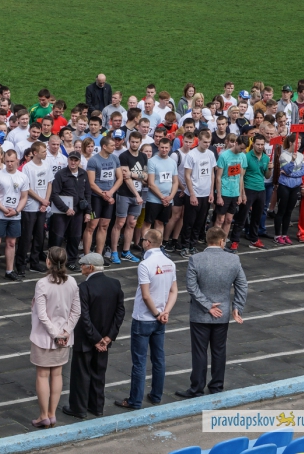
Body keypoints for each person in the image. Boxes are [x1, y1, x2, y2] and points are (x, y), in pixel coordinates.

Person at [174, 227, 247, 399]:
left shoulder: (196, 259)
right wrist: (237, 307)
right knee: (219, 351)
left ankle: (197, 388)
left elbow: (191, 287)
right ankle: (216, 386)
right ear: (222, 241)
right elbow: (242, 285)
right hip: (222, 313)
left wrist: (207, 306)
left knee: (199, 352)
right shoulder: (233, 259)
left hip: (200, 314)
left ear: (208, 240)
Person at [115, 229, 178, 410]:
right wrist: (165, 312)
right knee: (158, 358)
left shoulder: (145, 264)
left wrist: (156, 313)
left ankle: (135, 400)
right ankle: (156, 395)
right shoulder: (170, 263)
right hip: (161, 319)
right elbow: (174, 291)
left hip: (144, 318)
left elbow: (145, 295)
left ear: (148, 243)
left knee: (139, 362)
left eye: (143, 239)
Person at [63, 252, 125, 419]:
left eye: (83, 265)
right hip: (105, 340)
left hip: (86, 340)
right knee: (99, 373)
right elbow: (120, 312)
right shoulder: (115, 284)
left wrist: (95, 338)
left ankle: (78, 408)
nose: (81, 268)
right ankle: (97, 407)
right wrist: (108, 337)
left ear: (90, 267)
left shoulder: (84, 287)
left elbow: (84, 317)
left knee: (81, 374)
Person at [28, 246, 81, 428]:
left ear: (48, 261)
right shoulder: (72, 282)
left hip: (43, 338)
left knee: (42, 375)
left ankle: (43, 415)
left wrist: (54, 334)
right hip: (64, 338)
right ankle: (52, 414)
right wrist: (65, 332)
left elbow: (42, 314)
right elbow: (76, 311)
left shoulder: (42, 284)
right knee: (57, 374)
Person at [0, 149, 29, 284]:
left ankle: (9, 270)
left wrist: (16, 211)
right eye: (7, 161)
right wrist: (4, 209)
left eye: (12, 161)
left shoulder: (23, 177)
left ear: (17, 161)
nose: (10, 164)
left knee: (11, 242)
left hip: (15, 215)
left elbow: (24, 197)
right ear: (4, 160)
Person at [110, 132, 148, 264]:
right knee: (120, 223)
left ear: (140, 142)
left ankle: (126, 251)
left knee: (132, 223)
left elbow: (146, 176)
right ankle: (114, 251)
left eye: (137, 142)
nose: (134, 144)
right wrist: (137, 194)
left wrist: (133, 174)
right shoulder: (124, 156)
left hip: (138, 194)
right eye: (132, 142)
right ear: (128, 141)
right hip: (125, 194)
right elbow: (126, 178)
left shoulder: (143, 156)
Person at [49, 151, 91, 269]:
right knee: (57, 237)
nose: (73, 162)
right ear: (67, 160)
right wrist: (66, 209)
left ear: (79, 161)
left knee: (75, 237)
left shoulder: (83, 174)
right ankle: (54, 262)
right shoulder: (60, 174)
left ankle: (71, 261)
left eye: (75, 160)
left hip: (78, 211)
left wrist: (88, 212)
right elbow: (54, 194)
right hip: (61, 212)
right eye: (71, 160)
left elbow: (88, 193)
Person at [230, 134, 272, 252]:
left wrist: (270, 169)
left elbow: (267, 176)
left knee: (257, 216)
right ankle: (235, 241)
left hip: (261, 189)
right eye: (258, 144)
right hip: (249, 188)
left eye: (262, 144)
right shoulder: (246, 156)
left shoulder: (266, 158)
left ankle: (254, 239)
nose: (260, 146)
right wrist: (242, 193)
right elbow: (241, 176)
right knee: (242, 216)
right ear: (253, 144)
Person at [84, 136, 123, 257]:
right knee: (91, 226)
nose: (114, 147)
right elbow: (91, 183)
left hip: (109, 197)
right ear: (104, 146)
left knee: (104, 226)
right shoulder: (93, 160)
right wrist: (103, 194)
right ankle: (87, 256)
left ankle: (98, 255)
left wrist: (110, 193)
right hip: (95, 198)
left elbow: (120, 178)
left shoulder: (115, 158)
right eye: (112, 145)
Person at [181, 130, 217, 257]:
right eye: (205, 142)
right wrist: (192, 194)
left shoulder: (211, 154)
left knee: (199, 222)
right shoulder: (191, 155)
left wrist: (211, 192)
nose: (207, 144)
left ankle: (193, 245)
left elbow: (212, 174)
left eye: (209, 142)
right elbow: (187, 175)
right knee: (189, 222)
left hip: (205, 194)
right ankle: (184, 246)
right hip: (194, 193)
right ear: (199, 141)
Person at [18, 141, 52, 274]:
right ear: (35, 153)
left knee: (39, 236)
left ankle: (35, 262)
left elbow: (49, 184)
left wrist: (45, 201)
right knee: (26, 237)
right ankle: (20, 263)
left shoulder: (47, 165)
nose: (45, 153)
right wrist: (41, 200)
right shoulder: (27, 167)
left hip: (42, 207)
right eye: (43, 151)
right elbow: (27, 188)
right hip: (30, 207)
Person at [214, 135, 248, 246]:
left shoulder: (243, 156)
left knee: (228, 220)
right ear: (236, 143)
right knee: (220, 220)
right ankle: (215, 243)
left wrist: (241, 194)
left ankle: (222, 243)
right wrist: (219, 195)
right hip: (224, 191)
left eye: (244, 149)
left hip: (235, 192)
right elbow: (218, 177)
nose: (242, 150)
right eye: (241, 148)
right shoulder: (224, 156)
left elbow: (241, 177)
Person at [143, 138, 178, 240]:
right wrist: (162, 197)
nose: (164, 150)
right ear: (158, 147)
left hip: (168, 199)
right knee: (148, 223)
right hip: (154, 199)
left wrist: (170, 197)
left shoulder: (172, 162)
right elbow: (151, 183)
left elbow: (175, 182)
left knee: (160, 223)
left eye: (166, 148)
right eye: (162, 147)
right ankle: (145, 243)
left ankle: (158, 244)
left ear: (170, 148)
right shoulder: (152, 161)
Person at [274, 134, 304, 244]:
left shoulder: (301, 155)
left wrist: (291, 174)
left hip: (295, 186)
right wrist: (292, 161)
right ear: (291, 143)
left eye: (300, 143)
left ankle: (285, 234)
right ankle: (277, 235)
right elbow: (287, 170)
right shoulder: (283, 155)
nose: (299, 145)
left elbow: (303, 172)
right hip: (284, 186)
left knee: (289, 211)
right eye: (297, 143)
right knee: (281, 211)